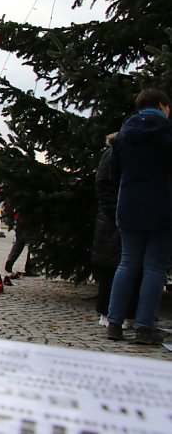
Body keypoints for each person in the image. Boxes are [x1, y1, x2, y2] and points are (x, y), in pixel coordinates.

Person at [107, 89, 172, 345]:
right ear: (161, 105)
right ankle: (145, 327)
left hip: (129, 206)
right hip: (162, 207)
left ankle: (114, 323)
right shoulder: (168, 133)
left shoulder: (123, 136)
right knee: (154, 267)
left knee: (127, 263)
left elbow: (113, 174)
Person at [92, 133, 140, 327]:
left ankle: (129, 314)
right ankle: (106, 312)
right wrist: (115, 210)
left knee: (133, 267)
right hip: (112, 220)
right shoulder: (111, 154)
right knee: (110, 266)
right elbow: (102, 185)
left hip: (126, 216)